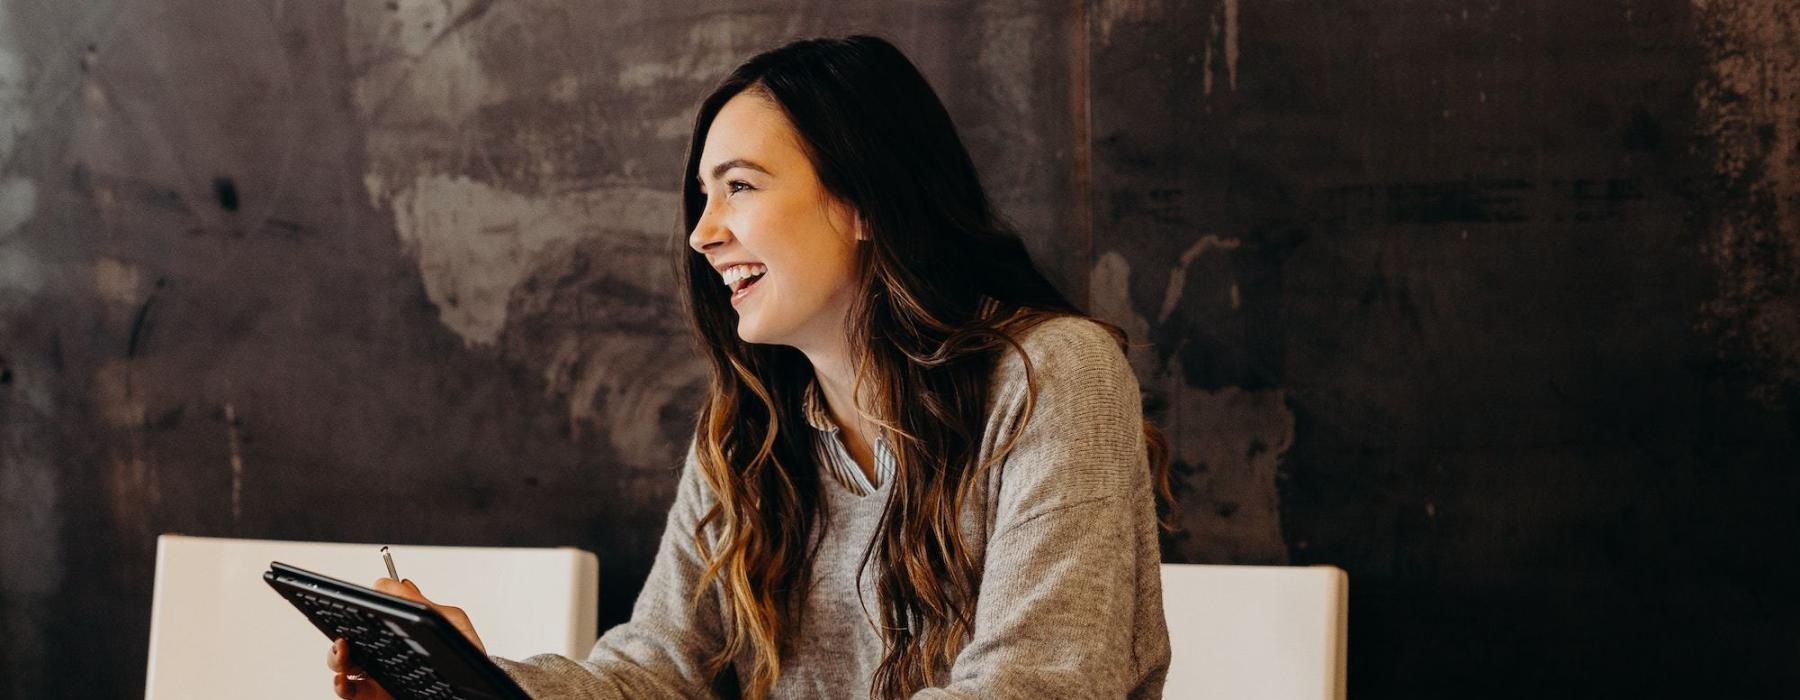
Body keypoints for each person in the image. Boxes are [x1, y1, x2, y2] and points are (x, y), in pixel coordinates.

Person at [328, 34, 1172, 699]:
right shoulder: (749, 431)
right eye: (703, 196)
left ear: (863, 201)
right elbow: (656, 675)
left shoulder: (1052, 377)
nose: (703, 233)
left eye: (739, 186)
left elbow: (1039, 685)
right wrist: (475, 682)